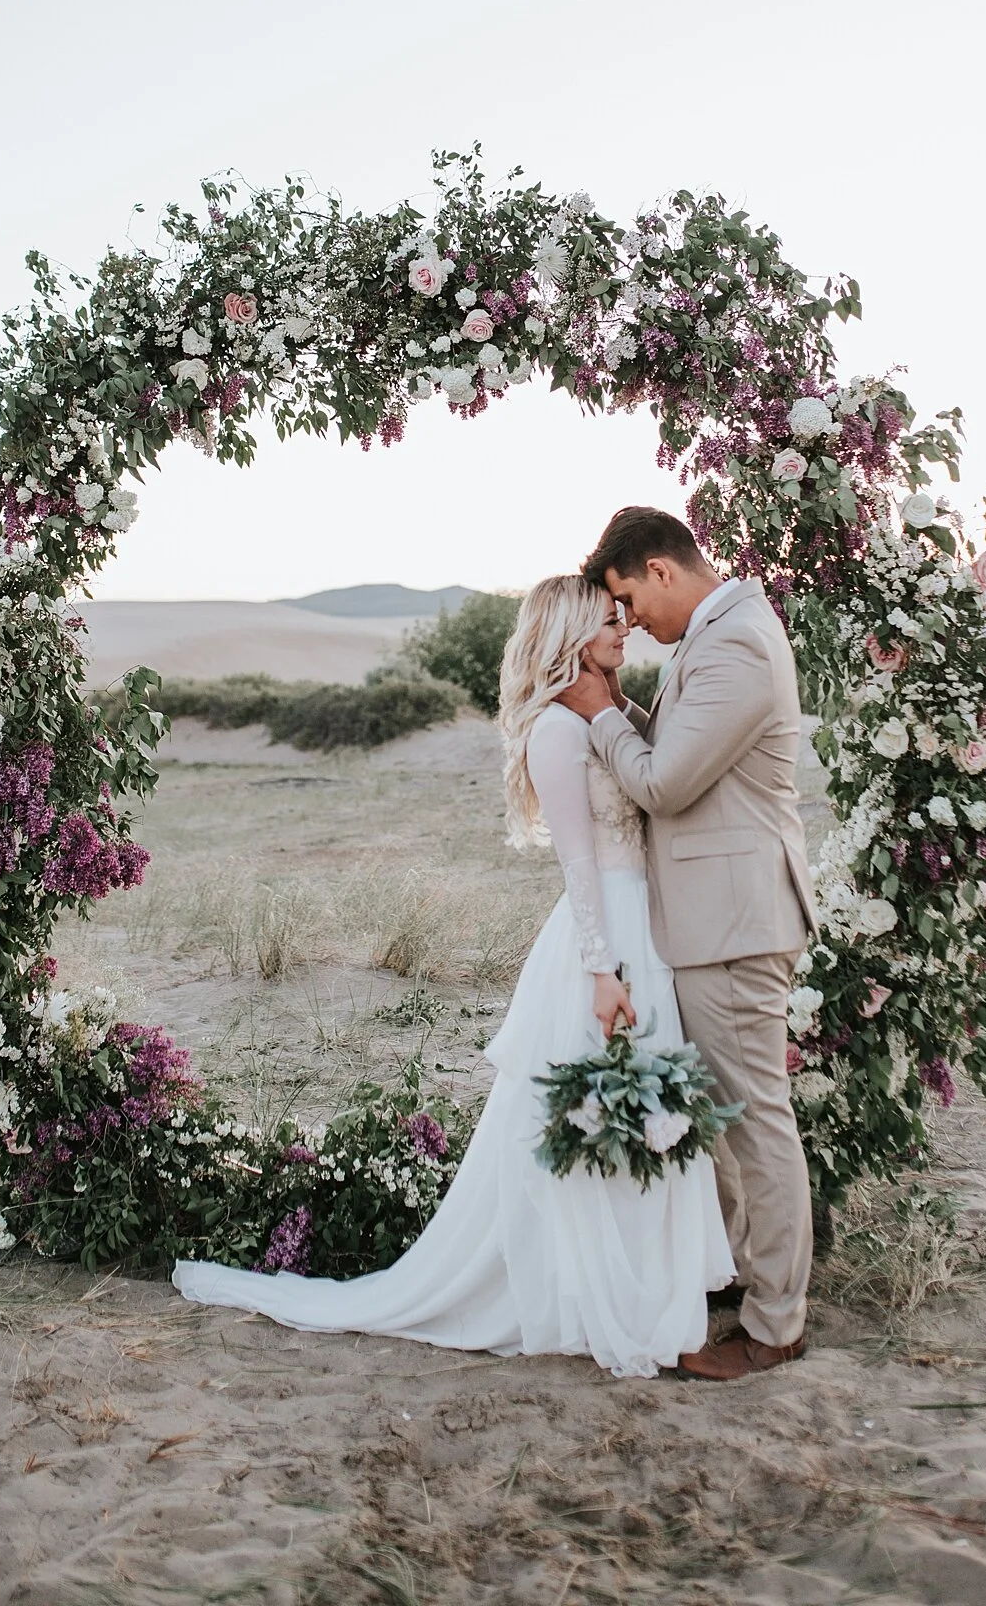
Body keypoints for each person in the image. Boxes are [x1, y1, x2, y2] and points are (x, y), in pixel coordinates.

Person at [172, 575, 731, 1377]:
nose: (624, 631)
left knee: (644, 1118)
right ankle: (590, 1298)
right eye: (609, 622)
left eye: (622, 618)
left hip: (645, 931)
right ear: (570, 633)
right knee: (596, 1120)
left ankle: (639, 1288)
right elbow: (578, 865)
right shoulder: (556, 733)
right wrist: (601, 971)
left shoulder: (603, 717)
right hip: (602, 944)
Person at [556, 506, 816, 1382]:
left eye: (627, 600)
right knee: (733, 1124)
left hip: (736, 920)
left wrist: (597, 714)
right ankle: (748, 1294)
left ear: (661, 569)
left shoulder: (736, 641)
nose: (629, 622)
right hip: (714, 918)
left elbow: (664, 784)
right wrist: (622, 704)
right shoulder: (715, 638)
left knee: (755, 1127)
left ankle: (776, 1325)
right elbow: (679, 745)